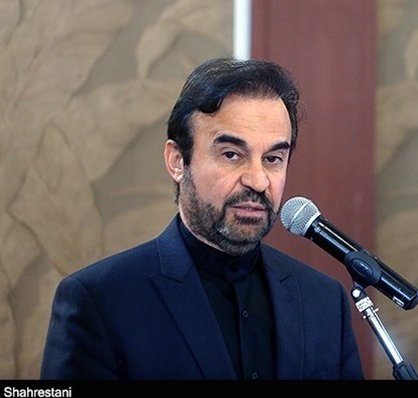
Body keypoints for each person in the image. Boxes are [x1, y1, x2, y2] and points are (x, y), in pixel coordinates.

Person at [40, 58, 364, 380]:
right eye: (231, 155)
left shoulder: (323, 301)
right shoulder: (100, 301)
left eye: (273, 158)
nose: (258, 180)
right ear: (177, 161)